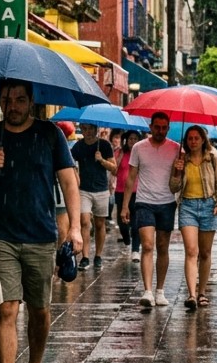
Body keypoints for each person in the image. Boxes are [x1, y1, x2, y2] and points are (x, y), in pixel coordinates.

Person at [0, 79, 82, 363]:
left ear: (30, 101)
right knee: (6, 308)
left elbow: (69, 182)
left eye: (20, 99)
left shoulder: (49, 134)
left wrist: (75, 227)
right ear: (0, 100)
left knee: (40, 310)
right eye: (7, 99)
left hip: (40, 235)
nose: (13, 106)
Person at [121, 112, 181, 307]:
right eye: (157, 127)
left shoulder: (176, 149)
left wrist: (180, 169)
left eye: (164, 128)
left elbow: (179, 180)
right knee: (147, 245)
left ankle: (160, 290)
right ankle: (147, 291)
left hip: (166, 203)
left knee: (162, 247)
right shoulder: (139, 147)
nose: (160, 131)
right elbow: (131, 177)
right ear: (150, 126)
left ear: (168, 128)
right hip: (144, 202)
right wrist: (125, 206)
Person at [168, 125, 217, 310]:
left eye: (196, 138)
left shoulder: (213, 157)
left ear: (203, 140)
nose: (193, 141)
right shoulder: (181, 159)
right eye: (190, 138)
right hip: (187, 206)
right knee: (191, 251)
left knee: (205, 253)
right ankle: (192, 294)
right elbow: (173, 188)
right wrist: (177, 172)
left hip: (209, 206)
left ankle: (202, 292)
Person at [71, 122, 116, 270]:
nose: (88, 131)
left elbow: (114, 168)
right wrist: (76, 176)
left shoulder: (104, 145)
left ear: (96, 129)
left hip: (101, 189)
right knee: (84, 221)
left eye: (91, 128)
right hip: (84, 189)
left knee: (99, 223)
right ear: (81, 130)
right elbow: (70, 165)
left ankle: (98, 255)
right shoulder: (78, 147)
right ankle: (85, 257)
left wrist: (101, 160)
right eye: (84, 128)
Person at [114, 130, 142, 261]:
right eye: (131, 138)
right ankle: (126, 238)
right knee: (122, 222)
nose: (133, 141)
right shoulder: (120, 153)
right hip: (120, 191)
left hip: (137, 192)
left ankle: (136, 249)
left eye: (135, 139)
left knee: (136, 222)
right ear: (126, 140)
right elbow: (114, 170)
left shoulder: (141, 153)